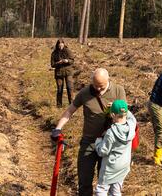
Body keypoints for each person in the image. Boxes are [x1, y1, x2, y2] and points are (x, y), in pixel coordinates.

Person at [51, 68, 127, 196]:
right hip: (89, 142)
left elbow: (125, 115)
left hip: (109, 143)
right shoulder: (85, 93)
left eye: (101, 86)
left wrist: (114, 109)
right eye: (95, 85)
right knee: (84, 180)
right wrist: (58, 128)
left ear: (108, 80)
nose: (98, 89)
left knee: (105, 183)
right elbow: (70, 111)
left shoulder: (118, 90)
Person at [94, 99, 136, 196]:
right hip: (124, 166)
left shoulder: (110, 133)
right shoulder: (131, 125)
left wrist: (98, 142)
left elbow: (103, 152)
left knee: (102, 189)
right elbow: (132, 118)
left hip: (110, 167)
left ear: (112, 115)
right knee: (116, 190)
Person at [51, 39, 75, 108]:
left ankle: (72, 105)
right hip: (58, 73)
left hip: (68, 72)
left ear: (64, 44)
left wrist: (67, 61)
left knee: (69, 88)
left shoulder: (68, 51)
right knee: (59, 89)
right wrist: (58, 63)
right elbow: (52, 64)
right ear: (57, 45)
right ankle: (59, 105)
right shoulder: (54, 53)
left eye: (62, 44)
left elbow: (72, 60)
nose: (60, 45)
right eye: (59, 44)